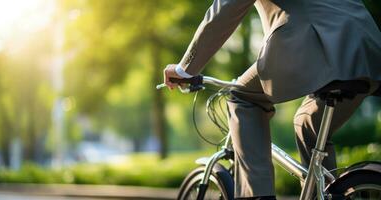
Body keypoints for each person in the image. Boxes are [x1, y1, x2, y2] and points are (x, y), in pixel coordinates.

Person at [163, 0, 381, 199]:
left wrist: (185, 69)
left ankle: (257, 195)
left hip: (310, 40)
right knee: (306, 124)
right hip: (366, 46)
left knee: (241, 96)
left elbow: (226, 8)